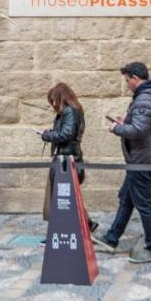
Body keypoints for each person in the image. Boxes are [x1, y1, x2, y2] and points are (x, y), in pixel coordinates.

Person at [94, 62, 151, 264]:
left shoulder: (145, 98)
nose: (127, 85)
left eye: (127, 81)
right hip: (141, 158)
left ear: (135, 78)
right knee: (126, 198)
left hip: (143, 160)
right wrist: (124, 122)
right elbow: (139, 125)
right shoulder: (148, 96)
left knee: (143, 204)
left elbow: (139, 131)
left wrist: (116, 129)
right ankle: (111, 238)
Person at [40, 83, 97, 240]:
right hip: (66, 159)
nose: (53, 104)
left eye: (54, 100)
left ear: (61, 97)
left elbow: (66, 135)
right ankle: (87, 224)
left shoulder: (69, 112)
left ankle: (58, 234)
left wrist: (46, 135)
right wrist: (49, 132)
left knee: (62, 200)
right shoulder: (68, 112)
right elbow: (64, 133)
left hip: (67, 160)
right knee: (69, 198)